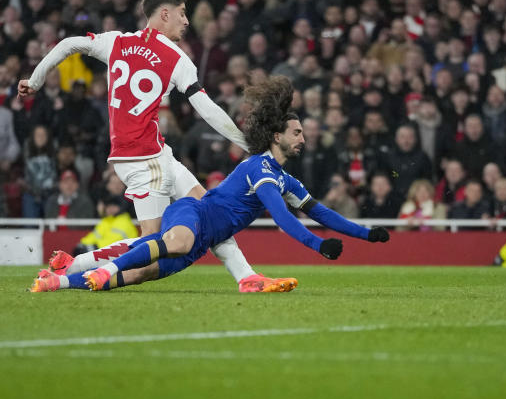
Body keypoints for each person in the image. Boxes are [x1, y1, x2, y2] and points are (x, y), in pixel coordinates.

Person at [20, 0, 293, 293]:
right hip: (143, 160)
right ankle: (77, 265)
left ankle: (246, 277)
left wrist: (35, 80)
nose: (187, 21)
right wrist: (250, 145)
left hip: (154, 152)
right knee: (154, 248)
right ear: (165, 13)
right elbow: (207, 110)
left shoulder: (117, 41)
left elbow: (70, 43)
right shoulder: (177, 58)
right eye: (182, 12)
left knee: (208, 210)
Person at [31, 76, 390, 293]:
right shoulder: (261, 169)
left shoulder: (286, 178)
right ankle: (95, 265)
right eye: (296, 133)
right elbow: (282, 217)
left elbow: (320, 211)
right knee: (174, 239)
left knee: (142, 273)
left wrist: (366, 234)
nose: (303, 139)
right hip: (193, 213)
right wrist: (316, 245)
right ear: (277, 135)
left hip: (203, 242)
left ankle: (58, 279)